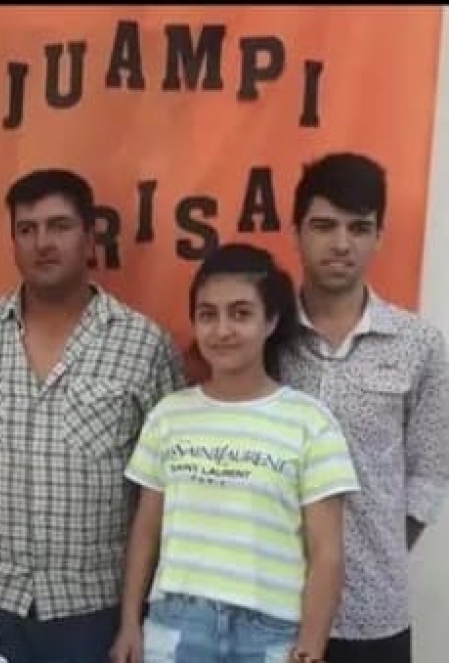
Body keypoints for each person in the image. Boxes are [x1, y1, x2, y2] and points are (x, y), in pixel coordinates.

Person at [0, 168, 186, 663]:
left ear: (90, 237)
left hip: (96, 609)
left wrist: (147, 602)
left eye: (60, 226)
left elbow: (169, 482)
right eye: (27, 229)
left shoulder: (144, 346)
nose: (43, 243)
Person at [112, 242, 361, 663]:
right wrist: (129, 624)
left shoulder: (310, 422)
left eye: (241, 313)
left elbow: (327, 554)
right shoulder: (168, 415)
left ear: (271, 321)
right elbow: (145, 532)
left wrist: (311, 648)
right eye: (208, 314)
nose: (222, 330)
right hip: (175, 626)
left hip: (271, 635)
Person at [280, 152, 449, 663]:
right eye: (324, 226)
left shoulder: (418, 344)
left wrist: (377, 549)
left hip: (374, 612)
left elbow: (430, 472)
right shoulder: (265, 337)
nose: (340, 244)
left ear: (379, 235)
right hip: (272, 608)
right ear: (297, 231)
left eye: (359, 228)